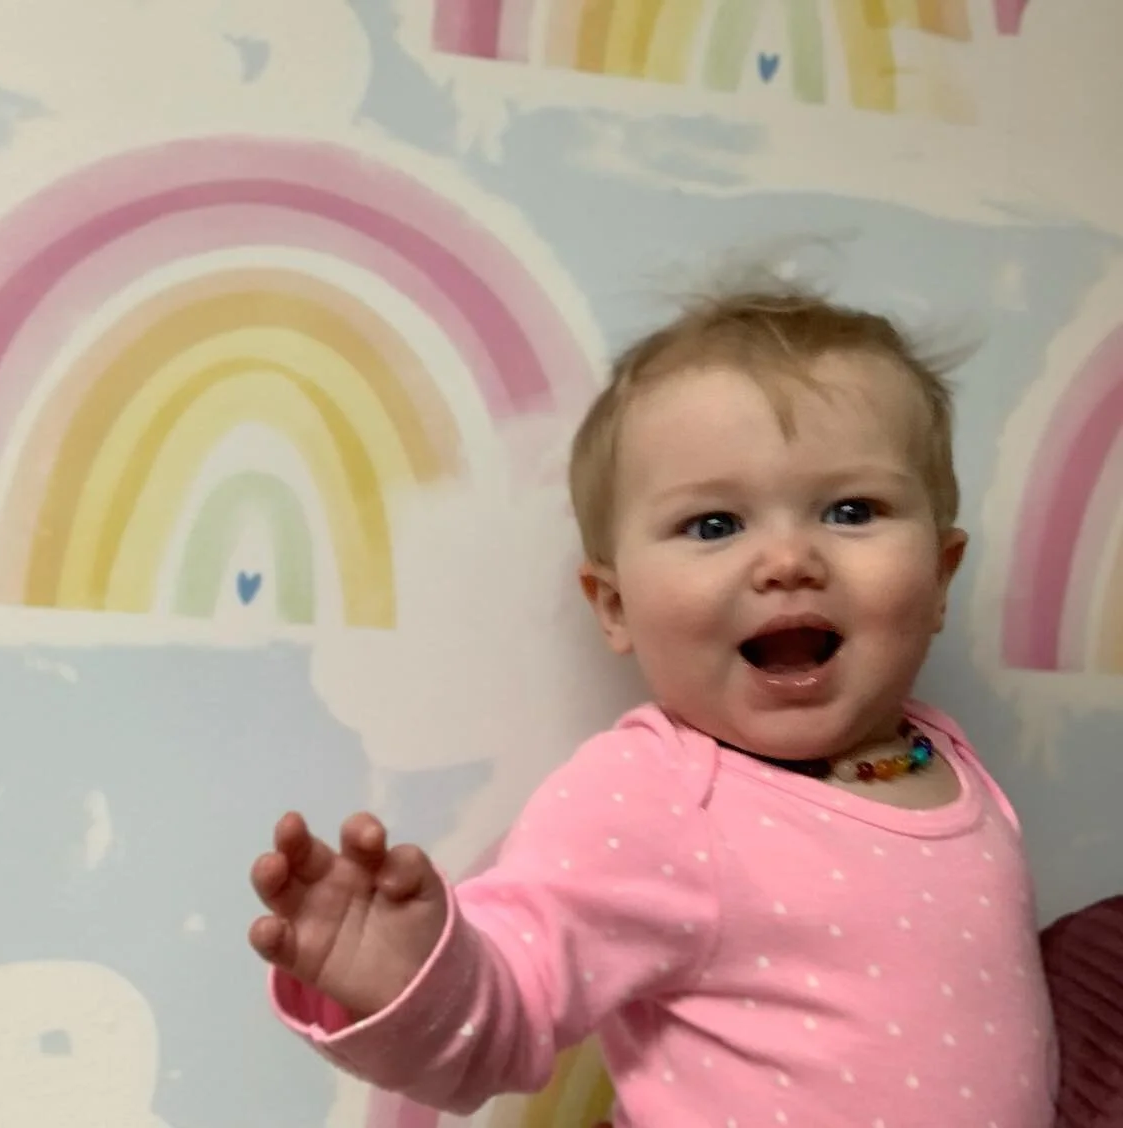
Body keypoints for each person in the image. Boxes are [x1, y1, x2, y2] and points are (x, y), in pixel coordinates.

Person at [247, 277, 1058, 1127]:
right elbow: (509, 1007)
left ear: (939, 577)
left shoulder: (944, 755)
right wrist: (407, 973)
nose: (788, 558)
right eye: (714, 525)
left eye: (850, 510)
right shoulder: (657, 795)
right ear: (616, 606)